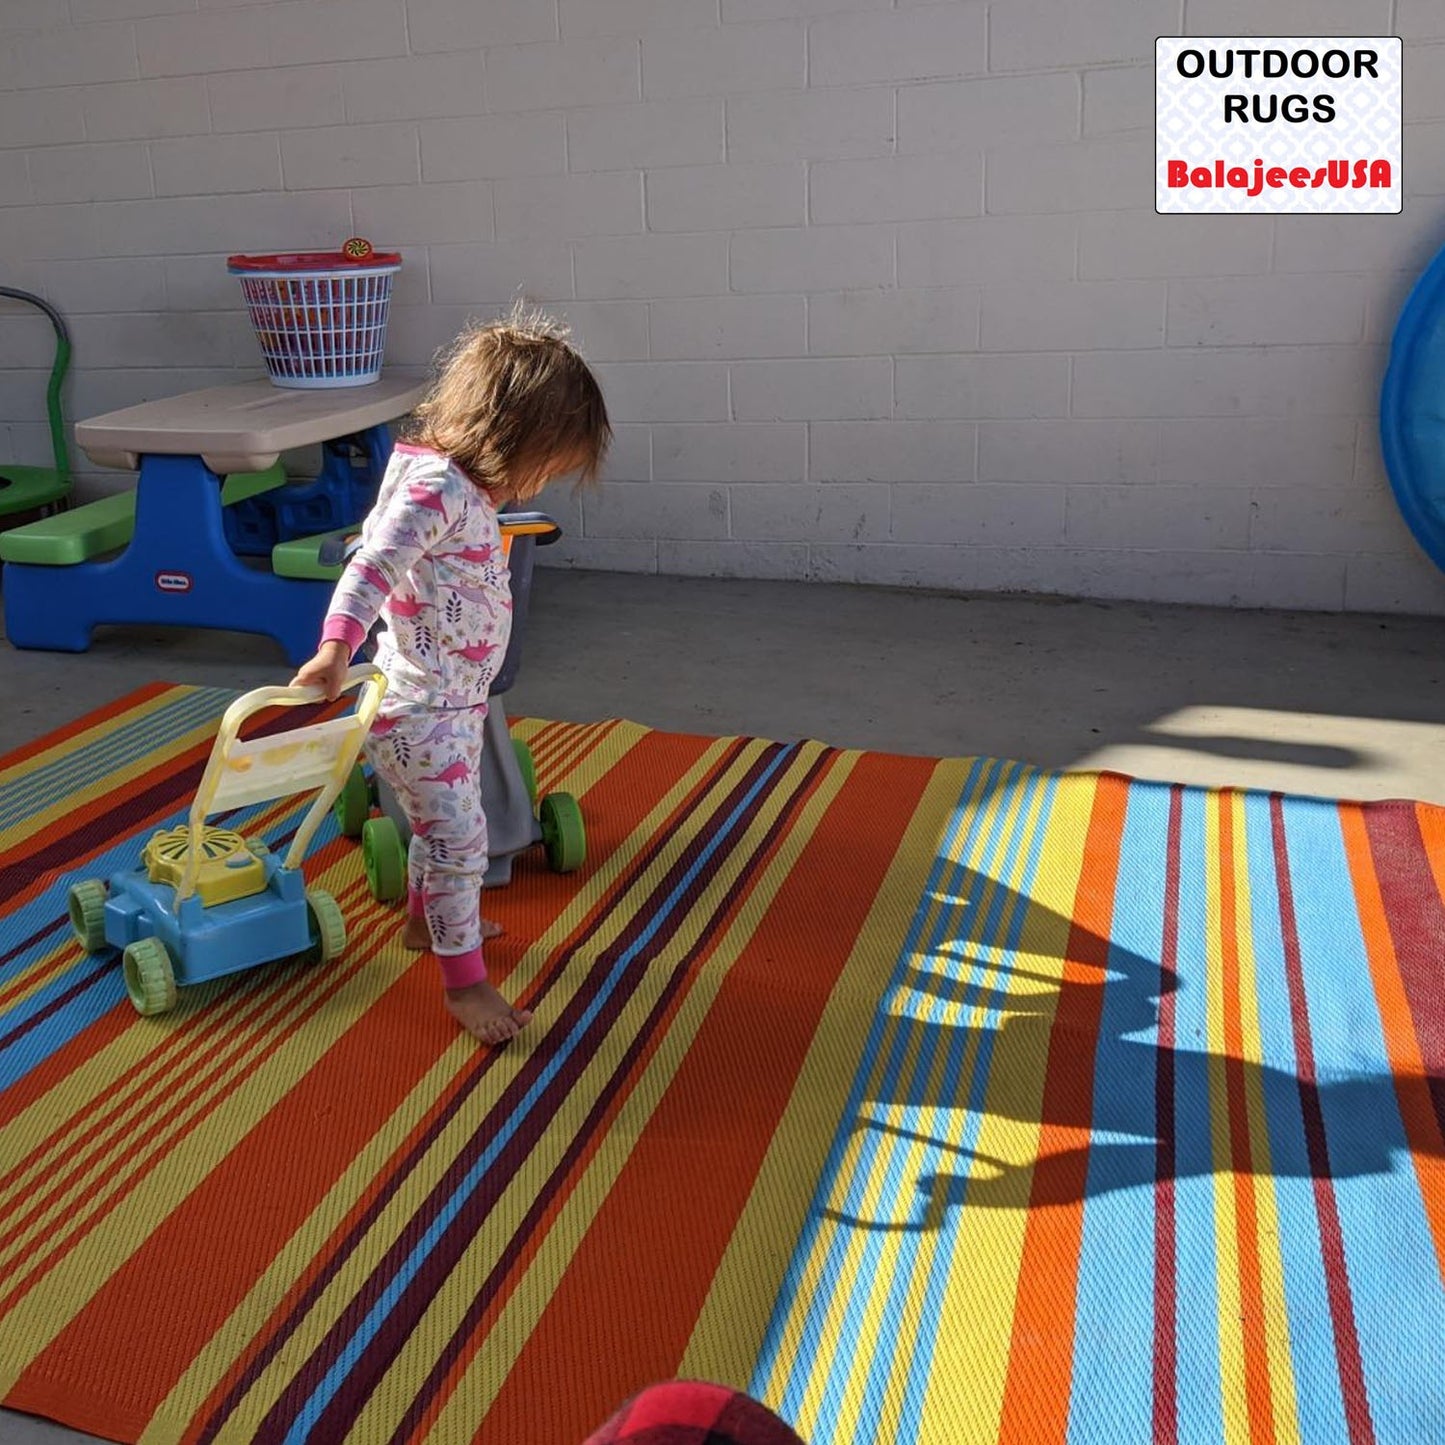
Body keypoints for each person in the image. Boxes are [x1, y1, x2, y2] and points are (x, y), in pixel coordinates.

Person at [291, 306, 610, 1045]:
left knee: (441, 835)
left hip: (451, 704)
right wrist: (337, 644)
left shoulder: (457, 487)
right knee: (462, 843)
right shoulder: (435, 487)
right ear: (511, 436)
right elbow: (371, 561)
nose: (542, 481)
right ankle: (465, 987)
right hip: (418, 710)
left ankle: (422, 925)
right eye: (545, 464)